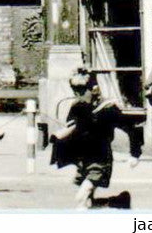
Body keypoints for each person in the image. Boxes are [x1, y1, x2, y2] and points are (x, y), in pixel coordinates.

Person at [51, 69, 125, 210]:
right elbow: (72, 126)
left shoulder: (108, 107)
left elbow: (126, 128)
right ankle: (114, 203)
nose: (77, 94)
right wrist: (61, 135)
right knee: (87, 201)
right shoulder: (77, 107)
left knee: (81, 197)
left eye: (81, 90)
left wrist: (134, 153)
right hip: (83, 159)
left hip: (100, 157)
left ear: (94, 89)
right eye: (75, 90)